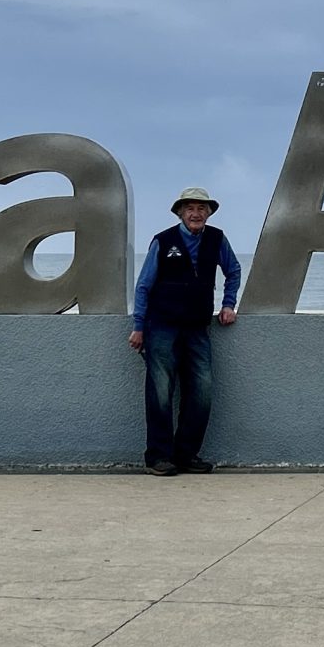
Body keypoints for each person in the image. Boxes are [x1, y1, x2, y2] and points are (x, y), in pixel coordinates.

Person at [129, 186, 241, 476]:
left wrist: (228, 304)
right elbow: (143, 286)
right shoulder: (163, 241)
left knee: (201, 393)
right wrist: (138, 327)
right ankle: (158, 457)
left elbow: (234, 270)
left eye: (202, 208)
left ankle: (186, 454)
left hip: (197, 328)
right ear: (180, 212)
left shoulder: (217, 239)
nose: (196, 213)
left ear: (209, 213)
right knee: (160, 394)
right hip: (161, 327)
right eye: (190, 208)